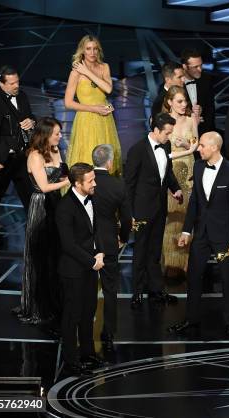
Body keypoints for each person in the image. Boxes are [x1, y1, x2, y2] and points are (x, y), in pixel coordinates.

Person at [168, 132, 229, 341]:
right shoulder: (199, 166)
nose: (198, 149)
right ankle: (191, 319)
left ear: (214, 148)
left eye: (201, 145)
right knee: (193, 277)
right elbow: (194, 202)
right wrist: (186, 230)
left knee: (228, 280)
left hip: (224, 237)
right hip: (201, 234)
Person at [14, 117, 70, 325]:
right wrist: (70, 182)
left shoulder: (55, 151)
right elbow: (44, 187)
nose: (60, 136)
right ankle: (41, 306)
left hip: (58, 205)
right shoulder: (35, 156)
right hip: (42, 207)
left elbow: (62, 176)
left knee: (57, 256)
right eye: (57, 133)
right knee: (43, 257)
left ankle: (56, 301)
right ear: (46, 134)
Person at [125, 113, 183, 310]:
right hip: (141, 209)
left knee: (155, 251)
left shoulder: (165, 146)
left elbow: (167, 172)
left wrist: (175, 188)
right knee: (140, 250)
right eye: (167, 133)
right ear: (156, 130)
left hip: (159, 207)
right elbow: (129, 183)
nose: (169, 137)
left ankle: (156, 290)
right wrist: (129, 213)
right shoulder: (137, 150)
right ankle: (137, 292)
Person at [55, 163, 106, 375]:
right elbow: (68, 245)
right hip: (73, 270)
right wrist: (92, 261)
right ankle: (71, 360)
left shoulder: (91, 198)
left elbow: (96, 230)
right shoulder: (65, 207)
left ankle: (88, 354)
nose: (95, 183)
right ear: (77, 184)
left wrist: (100, 252)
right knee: (72, 316)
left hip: (89, 267)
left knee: (88, 313)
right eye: (91, 181)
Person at [0, 65, 35, 243]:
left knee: (29, 193)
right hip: (3, 158)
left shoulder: (23, 96)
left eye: (17, 81)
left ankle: (35, 225)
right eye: (11, 83)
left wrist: (31, 122)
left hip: (21, 155)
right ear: (1, 84)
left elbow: (30, 116)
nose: (16, 85)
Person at [91, 144, 132, 351]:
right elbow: (126, 219)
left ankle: (80, 328)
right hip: (108, 242)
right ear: (109, 162)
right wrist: (123, 238)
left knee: (83, 287)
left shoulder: (83, 181)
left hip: (84, 242)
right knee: (109, 290)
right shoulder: (118, 185)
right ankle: (108, 333)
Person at [64, 35, 122, 176]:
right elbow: (68, 103)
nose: (92, 52)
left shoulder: (104, 67)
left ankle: (106, 191)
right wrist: (93, 108)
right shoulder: (75, 72)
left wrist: (87, 72)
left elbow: (108, 90)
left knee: (107, 158)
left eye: (95, 49)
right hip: (86, 120)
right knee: (88, 157)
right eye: (88, 49)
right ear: (82, 50)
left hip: (104, 120)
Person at [161, 85, 199, 277]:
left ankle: (185, 264)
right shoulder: (163, 122)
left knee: (187, 217)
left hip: (189, 171)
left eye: (185, 101)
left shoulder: (191, 119)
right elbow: (160, 152)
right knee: (170, 217)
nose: (184, 105)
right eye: (179, 101)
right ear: (169, 102)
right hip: (171, 173)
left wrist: (187, 145)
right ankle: (169, 263)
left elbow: (197, 146)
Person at [181, 48, 216, 135]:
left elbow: (211, 110)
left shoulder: (207, 80)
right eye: (195, 67)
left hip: (205, 133)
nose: (200, 69)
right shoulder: (176, 84)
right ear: (185, 66)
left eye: (201, 65)